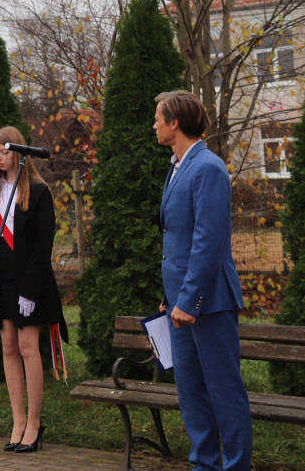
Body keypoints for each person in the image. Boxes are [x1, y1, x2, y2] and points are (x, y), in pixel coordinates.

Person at [154, 90, 252, 470]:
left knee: (224, 392)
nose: (155, 124)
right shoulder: (177, 166)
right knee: (191, 392)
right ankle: (205, 464)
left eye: (158, 117)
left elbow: (207, 242)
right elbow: (177, 240)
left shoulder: (208, 167)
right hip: (180, 302)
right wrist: (171, 297)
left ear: (175, 122)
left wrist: (188, 300)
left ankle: (237, 466)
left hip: (208, 302)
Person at [0, 126, 67, 454]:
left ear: (19, 152)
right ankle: (17, 421)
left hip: (32, 285)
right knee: (9, 348)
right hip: (3, 283)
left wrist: (30, 290)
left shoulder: (38, 193)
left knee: (29, 349)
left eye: (4, 151)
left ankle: (34, 423)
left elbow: (43, 247)